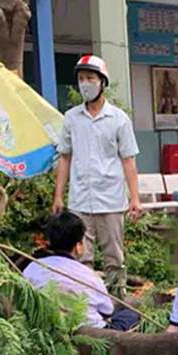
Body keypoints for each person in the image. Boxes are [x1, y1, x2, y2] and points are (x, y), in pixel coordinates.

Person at [53, 55, 143, 300]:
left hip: (111, 200)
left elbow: (128, 160)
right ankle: (85, 303)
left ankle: (117, 302)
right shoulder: (71, 118)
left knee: (114, 256)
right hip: (80, 199)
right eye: (81, 79)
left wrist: (135, 198)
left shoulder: (118, 119)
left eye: (90, 78)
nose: (85, 83)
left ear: (102, 82)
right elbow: (64, 157)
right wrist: (58, 195)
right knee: (81, 256)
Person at [22, 211, 140, 331]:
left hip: (45, 330)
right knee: (131, 314)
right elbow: (107, 309)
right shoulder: (89, 276)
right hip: (91, 334)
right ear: (78, 246)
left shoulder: (32, 267)